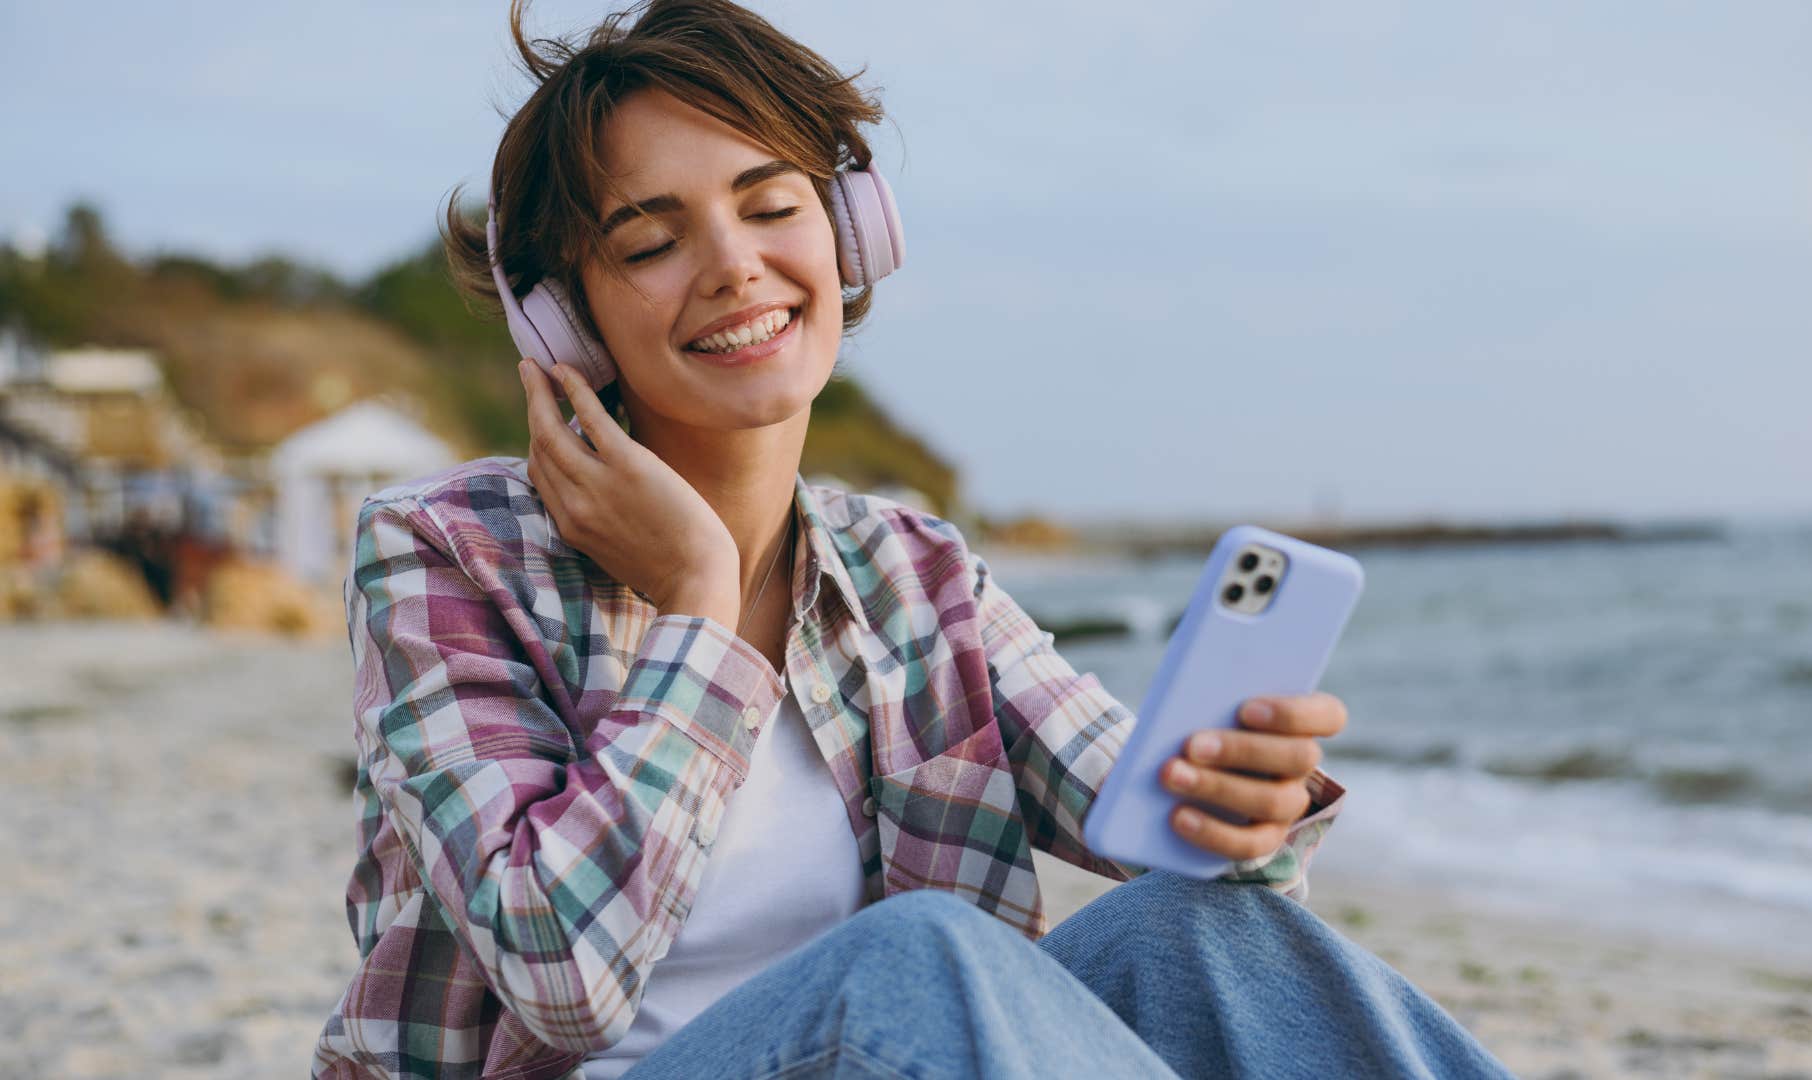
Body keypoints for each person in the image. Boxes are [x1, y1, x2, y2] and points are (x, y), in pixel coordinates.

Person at [313, 2, 1516, 1077]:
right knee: (915, 955)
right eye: (649, 241)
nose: (736, 267)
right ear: (560, 318)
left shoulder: (915, 573)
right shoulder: (440, 553)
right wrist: (697, 601)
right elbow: (560, 977)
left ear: (849, 233)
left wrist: (1241, 809)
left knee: (1201, 924)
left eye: (772, 204)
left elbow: (1153, 820)